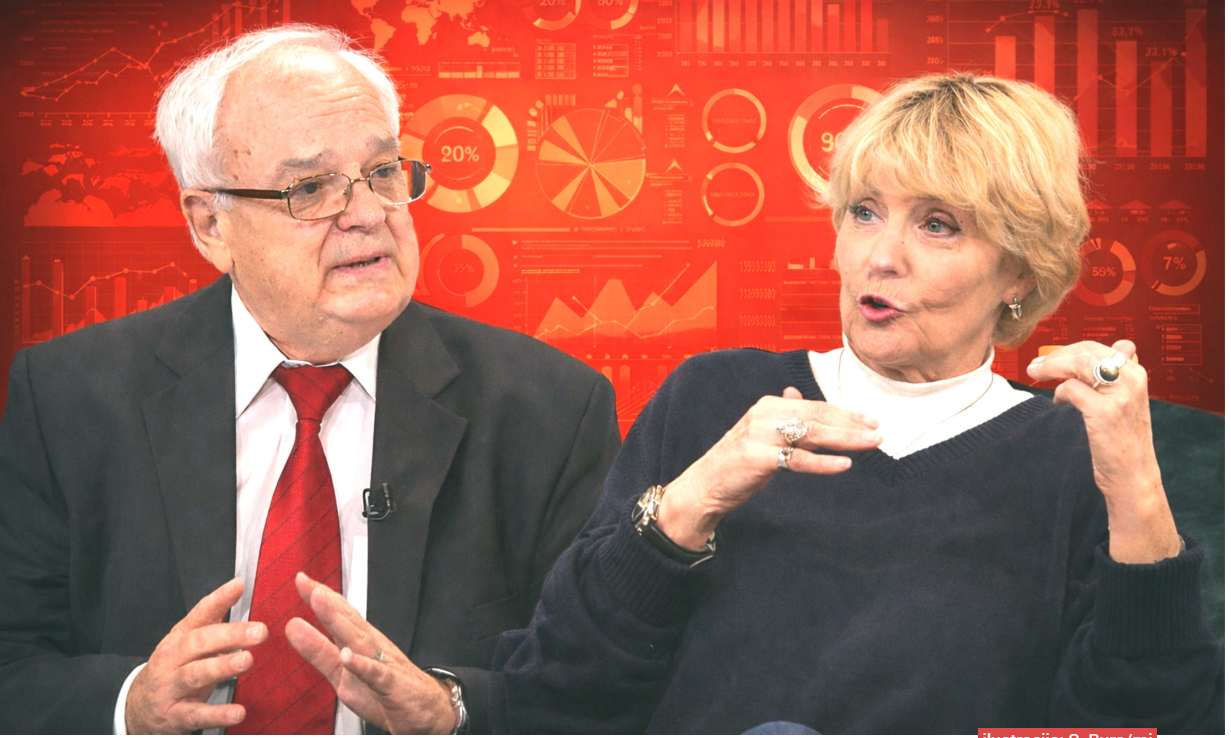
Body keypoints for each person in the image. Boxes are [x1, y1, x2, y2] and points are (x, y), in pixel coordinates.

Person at [485, 74, 1224, 733]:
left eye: (937, 225)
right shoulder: (711, 395)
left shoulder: (1073, 453)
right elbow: (556, 690)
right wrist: (689, 504)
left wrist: (1135, 486)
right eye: (864, 212)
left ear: (1020, 274)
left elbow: (1140, 724)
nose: (880, 256)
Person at [0, 24, 620, 734]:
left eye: (383, 172)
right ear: (210, 226)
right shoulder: (70, 398)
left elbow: (596, 683)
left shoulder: (549, 410)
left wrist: (454, 710)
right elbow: (11, 662)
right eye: (311, 188)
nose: (368, 214)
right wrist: (130, 707)